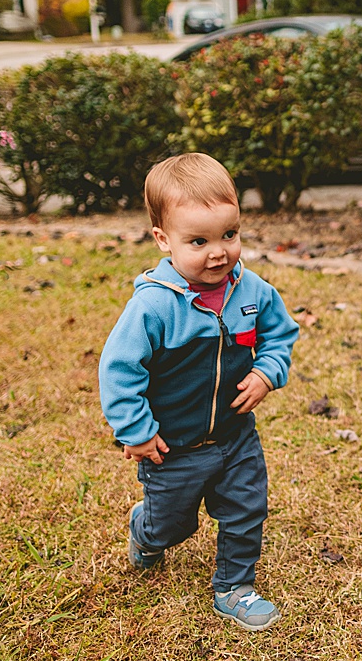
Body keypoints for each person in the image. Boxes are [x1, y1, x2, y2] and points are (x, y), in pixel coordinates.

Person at [99, 152, 300, 631]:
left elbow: (280, 334)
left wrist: (267, 372)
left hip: (235, 437)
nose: (218, 253)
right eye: (198, 241)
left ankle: (234, 587)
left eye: (229, 235)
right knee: (173, 526)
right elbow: (119, 370)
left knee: (247, 509)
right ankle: (145, 530)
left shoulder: (251, 291)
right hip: (173, 447)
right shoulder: (154, 306)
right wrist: (137, 432)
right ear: (163, 240)